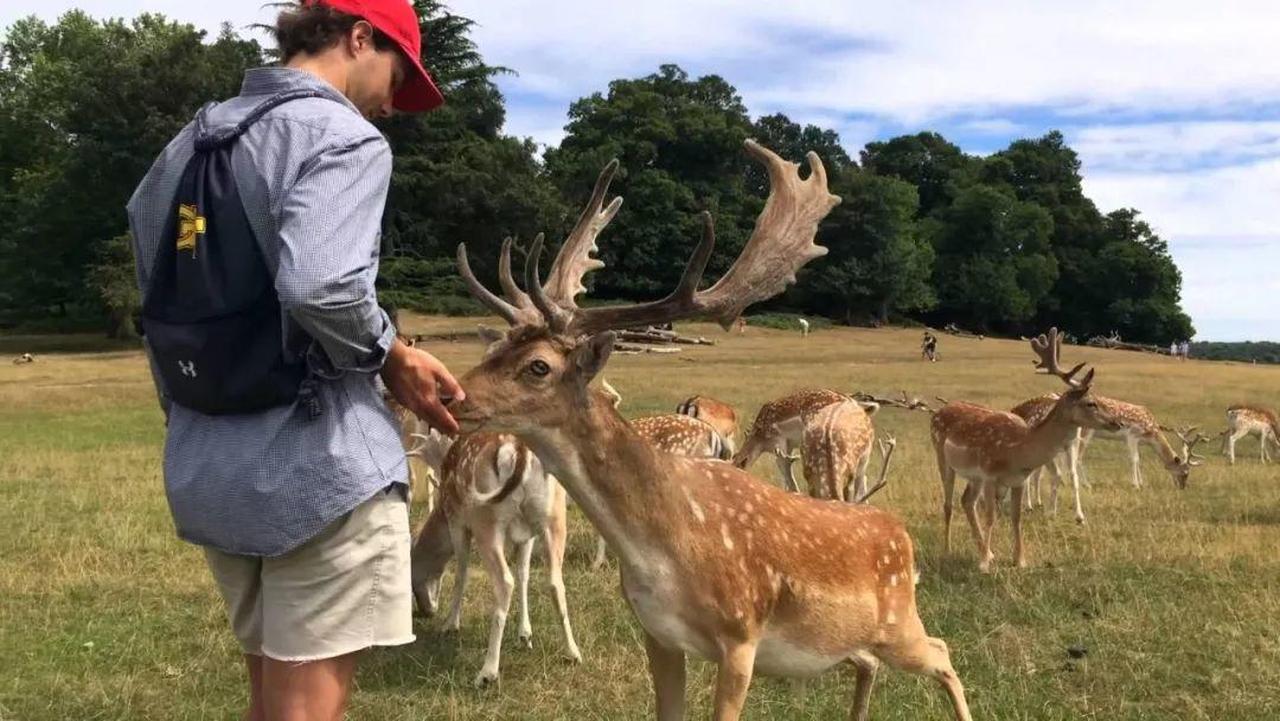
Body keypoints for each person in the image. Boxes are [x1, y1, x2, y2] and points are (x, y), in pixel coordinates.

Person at [126, 2, 462, 719]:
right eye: (396, 77)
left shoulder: (187, 145)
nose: (392, 107)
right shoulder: (342, 136)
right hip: (320, 471)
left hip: (211, 466)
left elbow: (160, 301)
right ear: (360, 37)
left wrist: (188, 413)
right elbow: (321, 285)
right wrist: (390, 355)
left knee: (273, 702)